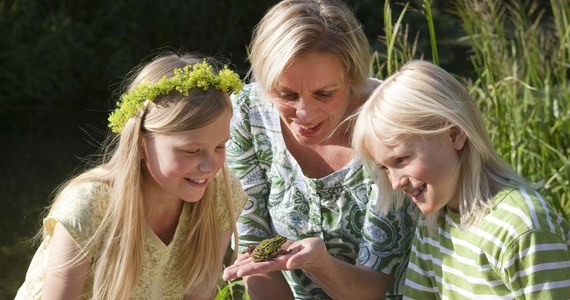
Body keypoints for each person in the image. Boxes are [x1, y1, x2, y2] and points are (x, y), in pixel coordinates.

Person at [221, 0, 417, 299]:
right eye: (286, 94)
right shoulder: (248, 114)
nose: (305, 114)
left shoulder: (388, 121)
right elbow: (255, 253)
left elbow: (376, 284)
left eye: (324, 94)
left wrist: (321, 265)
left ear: (352, 78)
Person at [16, 53, 248, 299]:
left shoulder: (220, 191)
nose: (210, 165)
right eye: (191, 150)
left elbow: (199, 295)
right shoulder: (90, 205)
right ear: (140, 143)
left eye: (220, 146)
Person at [352, 60, 570, 299]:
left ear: (454, 134)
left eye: (402, 159)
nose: (395, 183)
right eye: (385, 168)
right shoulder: (433, 223)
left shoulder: (523, 227)